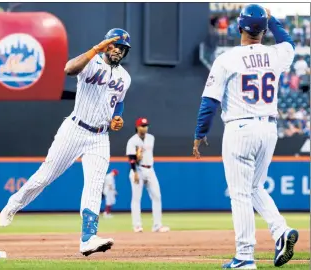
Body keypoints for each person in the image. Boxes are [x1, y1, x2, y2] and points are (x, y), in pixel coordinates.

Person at [0, 28, 132, 257]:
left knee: (95, 184)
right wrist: (95, 49)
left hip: (100, 137)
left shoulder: (125, 77)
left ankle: (88, 238)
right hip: (74, 129)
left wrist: (117, 119)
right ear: (106, 45)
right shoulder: (91, 62)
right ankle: (14, 203)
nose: (118, 50)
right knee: (44, 176)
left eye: (122, 48)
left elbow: (117, 105)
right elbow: (69, 69)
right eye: (115, 45)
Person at [192, 5, 298, 269]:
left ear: (239, 27)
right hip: (269, 128)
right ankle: (281, 231)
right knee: (254, 188)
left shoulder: (227, 59)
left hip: (240, 128)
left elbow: (209, 101)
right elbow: (289, 44)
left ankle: (244, 256)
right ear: (263, 30)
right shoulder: (275, 55)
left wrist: (200, 133)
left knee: (240, 194)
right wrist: (272, 21)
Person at [126, 118, 170, 233]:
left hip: (150, 169)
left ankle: (157, 225)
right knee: (136, 199)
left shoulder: (151, 138)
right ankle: (137, 225)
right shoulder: (132, 141)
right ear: (137, 127)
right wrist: (134, 171)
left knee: (157, 196)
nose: (144, 128)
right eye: (142, 126)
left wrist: (139, 155)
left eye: (145, 125)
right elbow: (131, 158)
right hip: (138, 170)